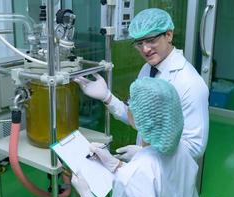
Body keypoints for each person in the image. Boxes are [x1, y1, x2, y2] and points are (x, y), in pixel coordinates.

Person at [74, 8, 209, 162]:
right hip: (147, 169)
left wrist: (146, 154)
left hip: (169, 179)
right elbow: (138, 119)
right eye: (139, 43)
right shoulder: (148, 69)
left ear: (169, 35)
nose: (145, 49)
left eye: (151, 40)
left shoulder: (190, 83)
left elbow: (195, 147)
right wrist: (107, 97)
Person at [72, 77, 199, 197]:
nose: (128, 105)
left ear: (141, 118)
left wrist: (87, 194)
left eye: (130, 101)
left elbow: (138, 181)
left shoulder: (130, 177)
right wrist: (116, 165)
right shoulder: (183, 151)